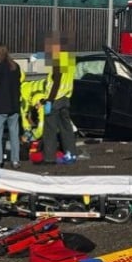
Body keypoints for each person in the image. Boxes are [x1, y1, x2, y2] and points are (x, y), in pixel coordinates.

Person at [38, 35, 78, 165]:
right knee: (66, 128)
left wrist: (48, 100)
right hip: (66, 98)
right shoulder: (70, 61)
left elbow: (56, 83)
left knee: (50, 129)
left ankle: (49, 157)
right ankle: (70, 154)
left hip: (55, 99)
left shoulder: (58, 61)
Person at [0, 42, 23, 168]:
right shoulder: (15, 67)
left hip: (0, 107)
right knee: (14, 134)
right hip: (14, 106)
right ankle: (15, 160)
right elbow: (18, 86)